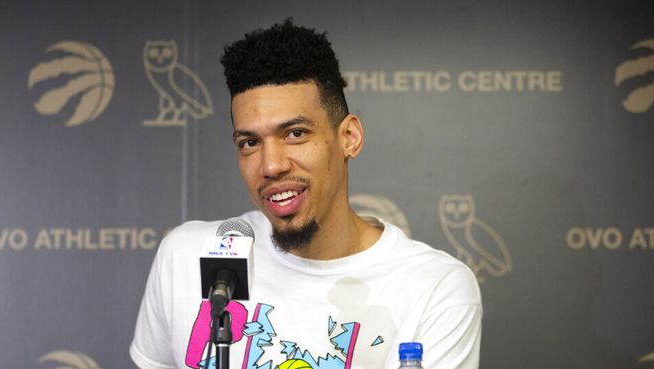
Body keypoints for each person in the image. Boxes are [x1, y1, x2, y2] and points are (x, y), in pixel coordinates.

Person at [130, 19, 481, 369]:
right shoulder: (186, 256)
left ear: (349, 138)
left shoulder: (435, 288)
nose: (271, 166)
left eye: (295, 133)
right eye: (250, 143)